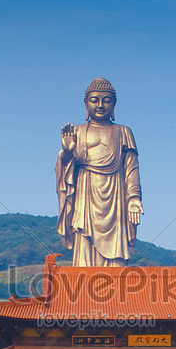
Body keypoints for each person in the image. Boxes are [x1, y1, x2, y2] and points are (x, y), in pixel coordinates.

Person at [55, 78, 143, 267]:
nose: (101, 105)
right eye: (95, 100)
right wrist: (68, 153)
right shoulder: (76, 132)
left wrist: (134, 198)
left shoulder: (124, 132)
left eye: (106, 100)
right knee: (84, 255)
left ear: (114, 104)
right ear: (86, 104)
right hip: (85, 199)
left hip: (116, 201)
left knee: (117, 261)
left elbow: (131, 169)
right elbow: (63, 170)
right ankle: (83, 294)